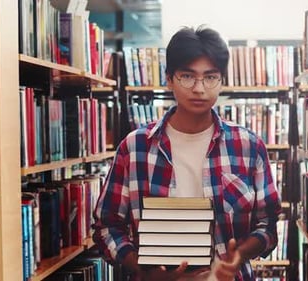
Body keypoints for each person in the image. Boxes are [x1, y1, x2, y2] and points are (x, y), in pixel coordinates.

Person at [93, 25, 282, 281]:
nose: (199, 88)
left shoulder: (248, 146)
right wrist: (142, 269)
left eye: (210, 77)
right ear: (169, 78)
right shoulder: (134, 147)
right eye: (187, 76)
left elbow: (267, 224)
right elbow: (107, 226)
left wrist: (239, 256)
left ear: (222, 80)